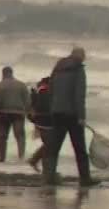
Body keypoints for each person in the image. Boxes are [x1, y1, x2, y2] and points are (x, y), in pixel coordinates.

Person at [45, 46, 92, 186]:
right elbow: (79, 95)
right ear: (80, 56)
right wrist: (82, 116)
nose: (84, 58)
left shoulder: (58, 68)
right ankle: (85, 178)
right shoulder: (78, 69)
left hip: (57, 112)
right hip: (72, 114)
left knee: (54, 148)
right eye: (84, 55)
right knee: (80, 149)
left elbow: (50, 89)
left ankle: (50, 177)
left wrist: (52, 108)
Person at [0, 66, 31, 163]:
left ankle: (2, 158)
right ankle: (21, 157)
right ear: (12, 73)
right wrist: (26, 110)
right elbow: (28, 100)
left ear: (3, 74)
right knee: (20, 135)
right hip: (18, 113)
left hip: (4, 113)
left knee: (3, 136)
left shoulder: (0, 85)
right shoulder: (21, 85)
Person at [27, 76, 54, 174]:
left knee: (48, 145)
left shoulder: (38, 91)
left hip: (40, 122)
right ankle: (38, 163)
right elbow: (47, 108)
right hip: (45, 123)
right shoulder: (44, 91)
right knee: (49, 145)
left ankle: (36, 161)